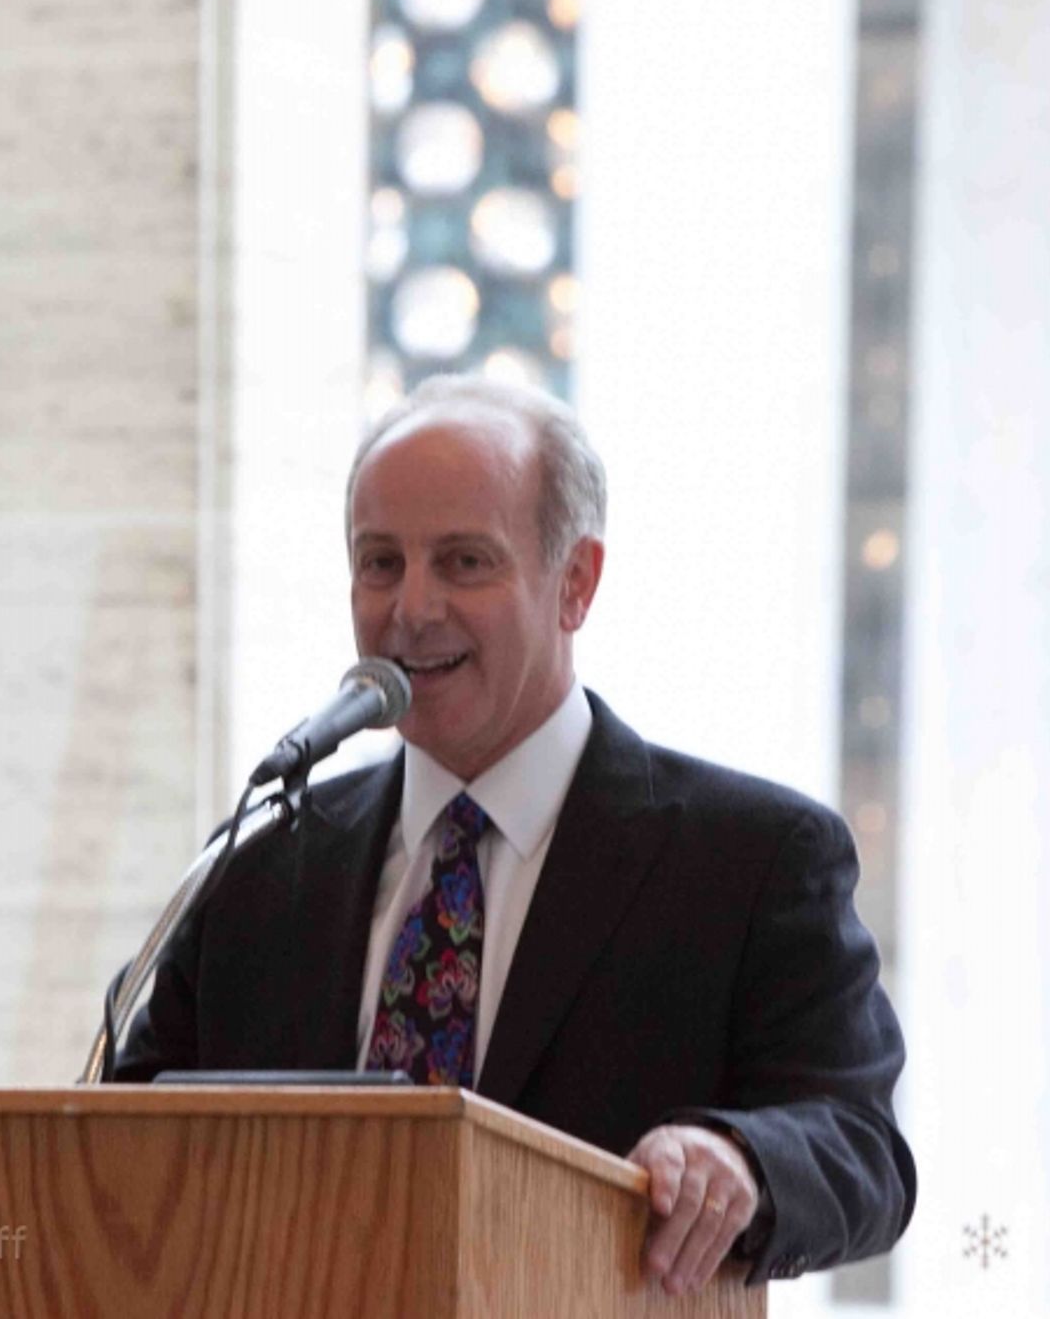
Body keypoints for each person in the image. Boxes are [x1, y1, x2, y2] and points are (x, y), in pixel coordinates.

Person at [115, 373, 916, 1293]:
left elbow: (863, 1149)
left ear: (575, 583)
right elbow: (120, 1143)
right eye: (381, 562)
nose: (411, 609)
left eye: (463, 562)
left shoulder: (750, 860)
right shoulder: (261, 867)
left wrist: (739, 1159)